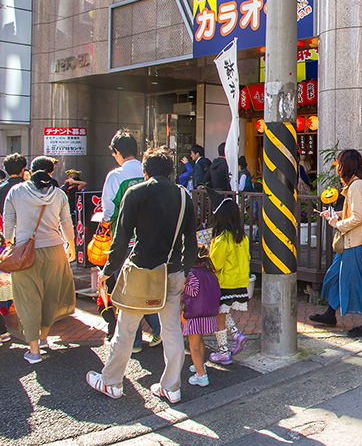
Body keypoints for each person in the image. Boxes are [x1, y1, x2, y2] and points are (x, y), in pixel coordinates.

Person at [87, 146, 197, 403]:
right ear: (171, 172)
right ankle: (171, 387)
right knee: (171, 331)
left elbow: (121, 239)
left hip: (141, 272)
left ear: (145, 171)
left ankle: (111, 381)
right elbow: (190, 241)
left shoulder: (135, 193)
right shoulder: (183, 196)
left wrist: (108, 270)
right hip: (172, 270)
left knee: (125, 331)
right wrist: (185, 270)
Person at [3, 156, 76, 364]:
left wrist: (10, 243)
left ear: (30, 171)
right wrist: (70, 247)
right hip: (55, 251)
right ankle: (44, 338)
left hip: (26, 253)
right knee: (51, 297)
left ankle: (34, 350)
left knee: (28, 299)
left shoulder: (16, 192)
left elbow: (8, 223)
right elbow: (67, 225)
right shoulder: (59, 194)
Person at [100, 130, 161, 354]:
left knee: (127, 292)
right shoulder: (149, 171)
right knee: (146, 287)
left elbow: (108, 212)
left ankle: (134, 341)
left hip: (126, 240)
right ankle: (157, 328)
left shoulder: (116, 176)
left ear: (117, 152)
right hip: (151, 239)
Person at [309, 150, 362, 337]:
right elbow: (356, 214)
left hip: (355, 242)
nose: (337, 168)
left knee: (358, 282)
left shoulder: (355, 187)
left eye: (339, 164)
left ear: (346, 166)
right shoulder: (357, 184)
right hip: (352, 242)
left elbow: (357, 217)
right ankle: (330, 314)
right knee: (335, 276)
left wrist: (336, 223)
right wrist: (335, 215)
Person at [206, 189, 251, 365]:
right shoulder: (243, 237)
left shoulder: (222, 239)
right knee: (222, 311)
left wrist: (207, 251)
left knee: (219, 315)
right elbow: (247, 258)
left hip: (223, 283)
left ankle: (224, 351)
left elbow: (215, 264)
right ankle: (236, 334)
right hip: (239, 283)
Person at [183, 245, 220, 387]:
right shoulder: (210, 273)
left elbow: (193, 292)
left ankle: (201, 376)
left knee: (193, 346)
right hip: (209, 314)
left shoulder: (192, 273)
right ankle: (200, 365)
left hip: (195, 315)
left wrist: (182, 286)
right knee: (200, 342)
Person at [0, 153, 27, 217]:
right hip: (26, 225)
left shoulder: (1, 188)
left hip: (6, 224)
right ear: (23, 169)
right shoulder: (30, 188)